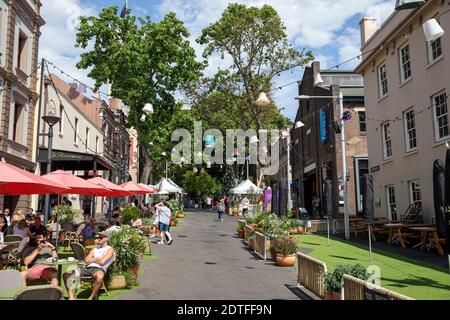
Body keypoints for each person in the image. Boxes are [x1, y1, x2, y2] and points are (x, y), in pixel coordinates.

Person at [63, 231, 115, 300]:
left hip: (99, 269)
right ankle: (71, 297)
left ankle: (91, 297)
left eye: (101, 237)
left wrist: (92, 259)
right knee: (67, 274)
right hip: (87, 268)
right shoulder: (95, 248)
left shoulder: (110, 249)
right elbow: (86, 260)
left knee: (99, 277)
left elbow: (102, 262)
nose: (98, 239)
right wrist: (96, 258)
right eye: (98, 237)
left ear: (106, 239)